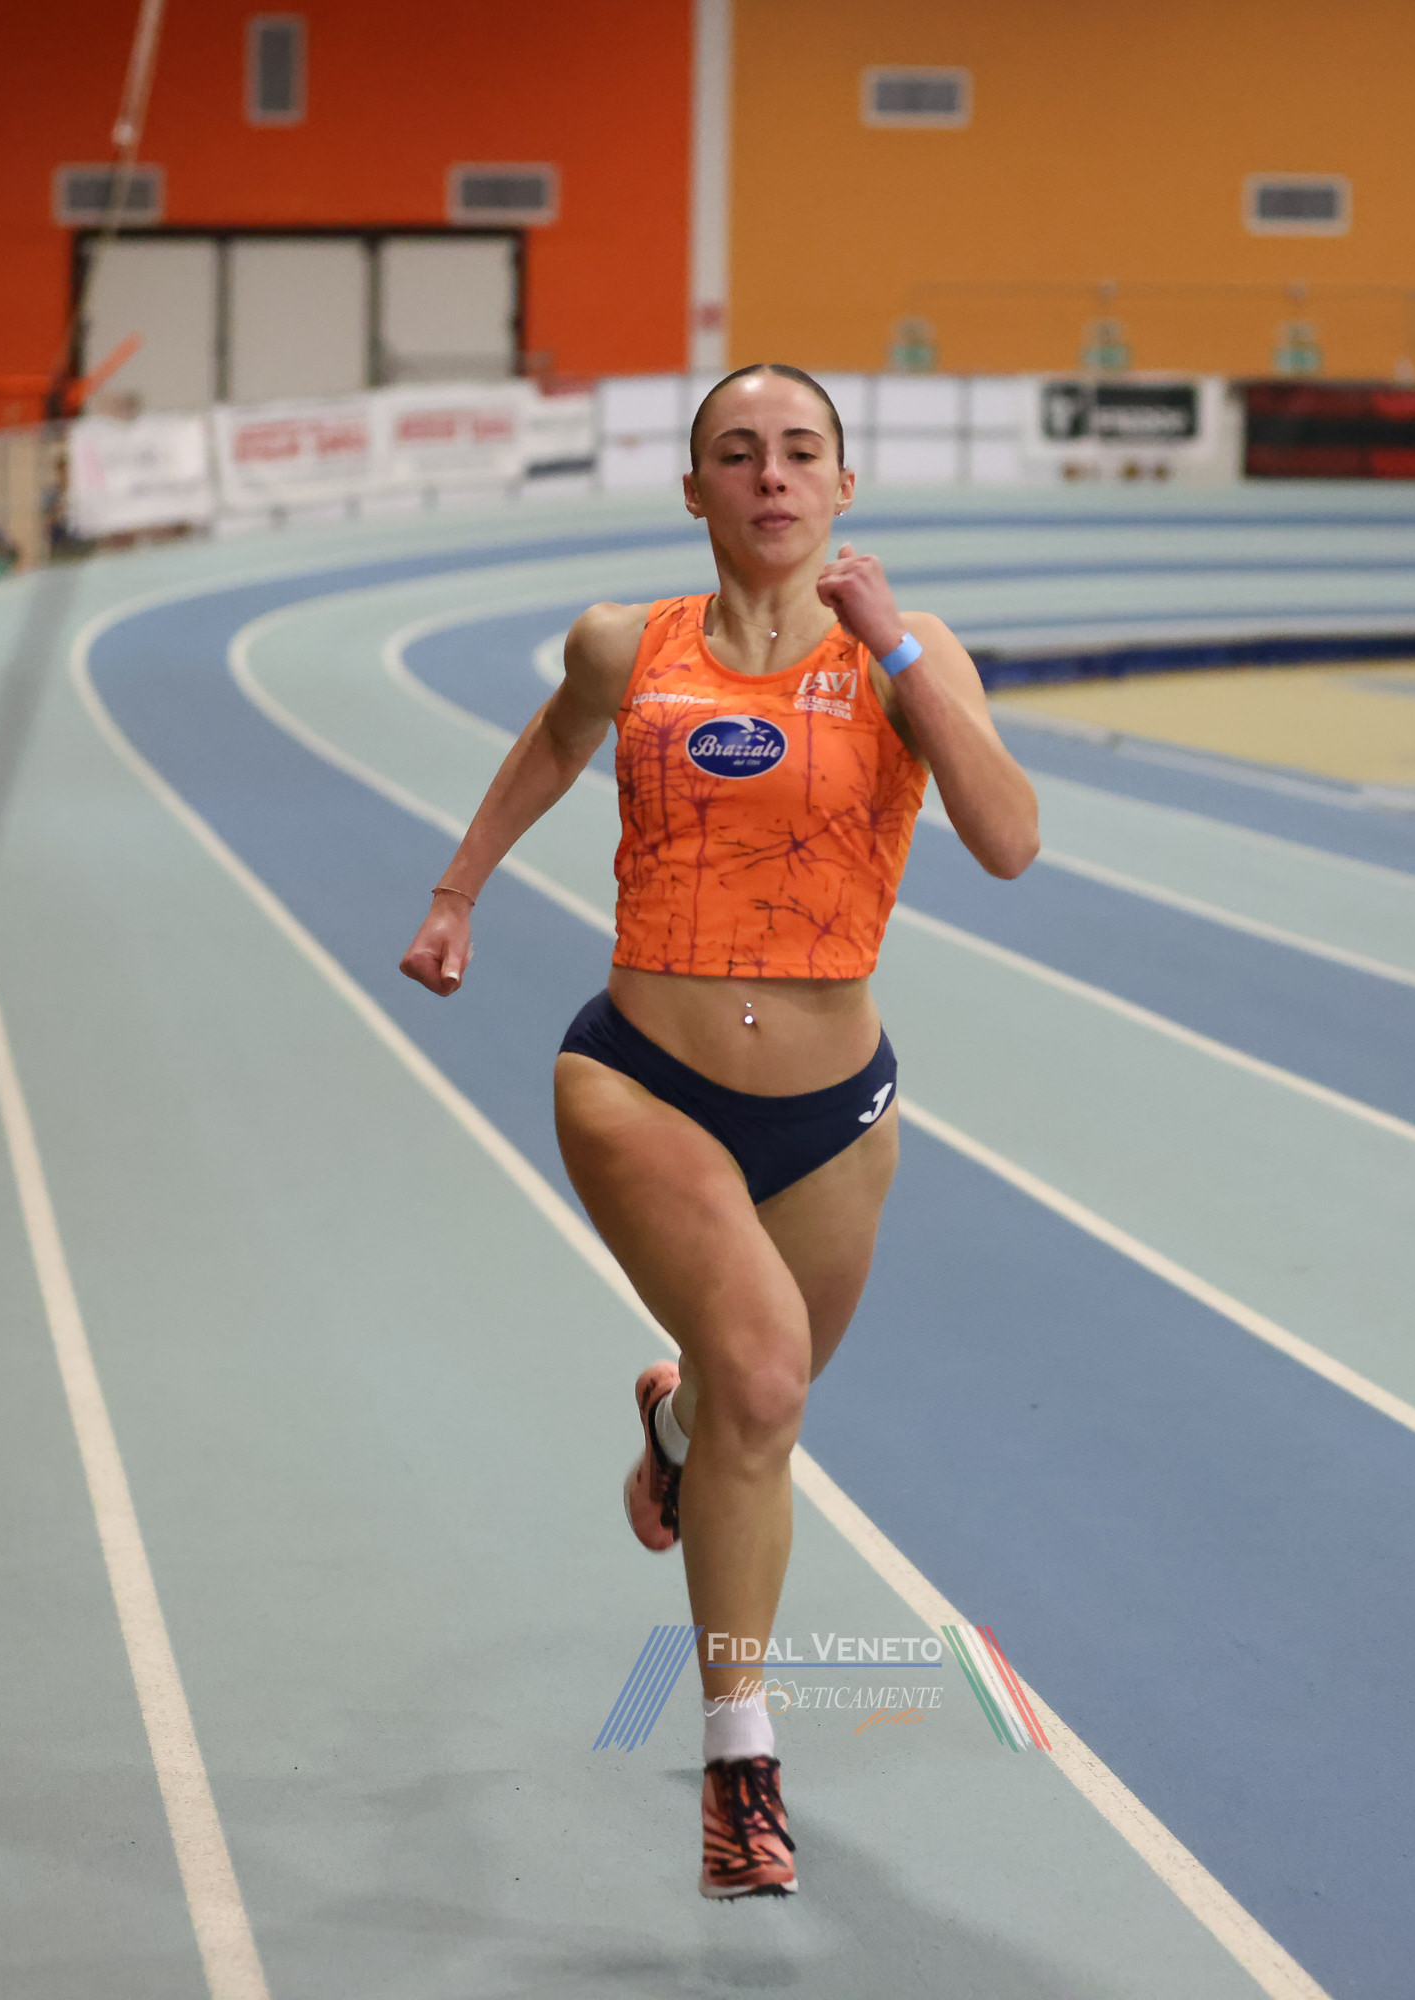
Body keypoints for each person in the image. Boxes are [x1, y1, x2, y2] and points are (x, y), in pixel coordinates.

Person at [398, 364, 1041, 1899]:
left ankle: (671, 1431)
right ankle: (741, 1770)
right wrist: (457, 891)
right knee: (763, 1374)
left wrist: (899, 652)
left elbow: (1011, 841)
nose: (771, 476)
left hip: (835, 1117)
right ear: (694, 490)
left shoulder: (906, 652)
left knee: (753, 1404)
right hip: (642, 1082)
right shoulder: (628, 644)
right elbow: (554, 741)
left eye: (800, 452)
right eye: (738, 454)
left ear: (844, 486)